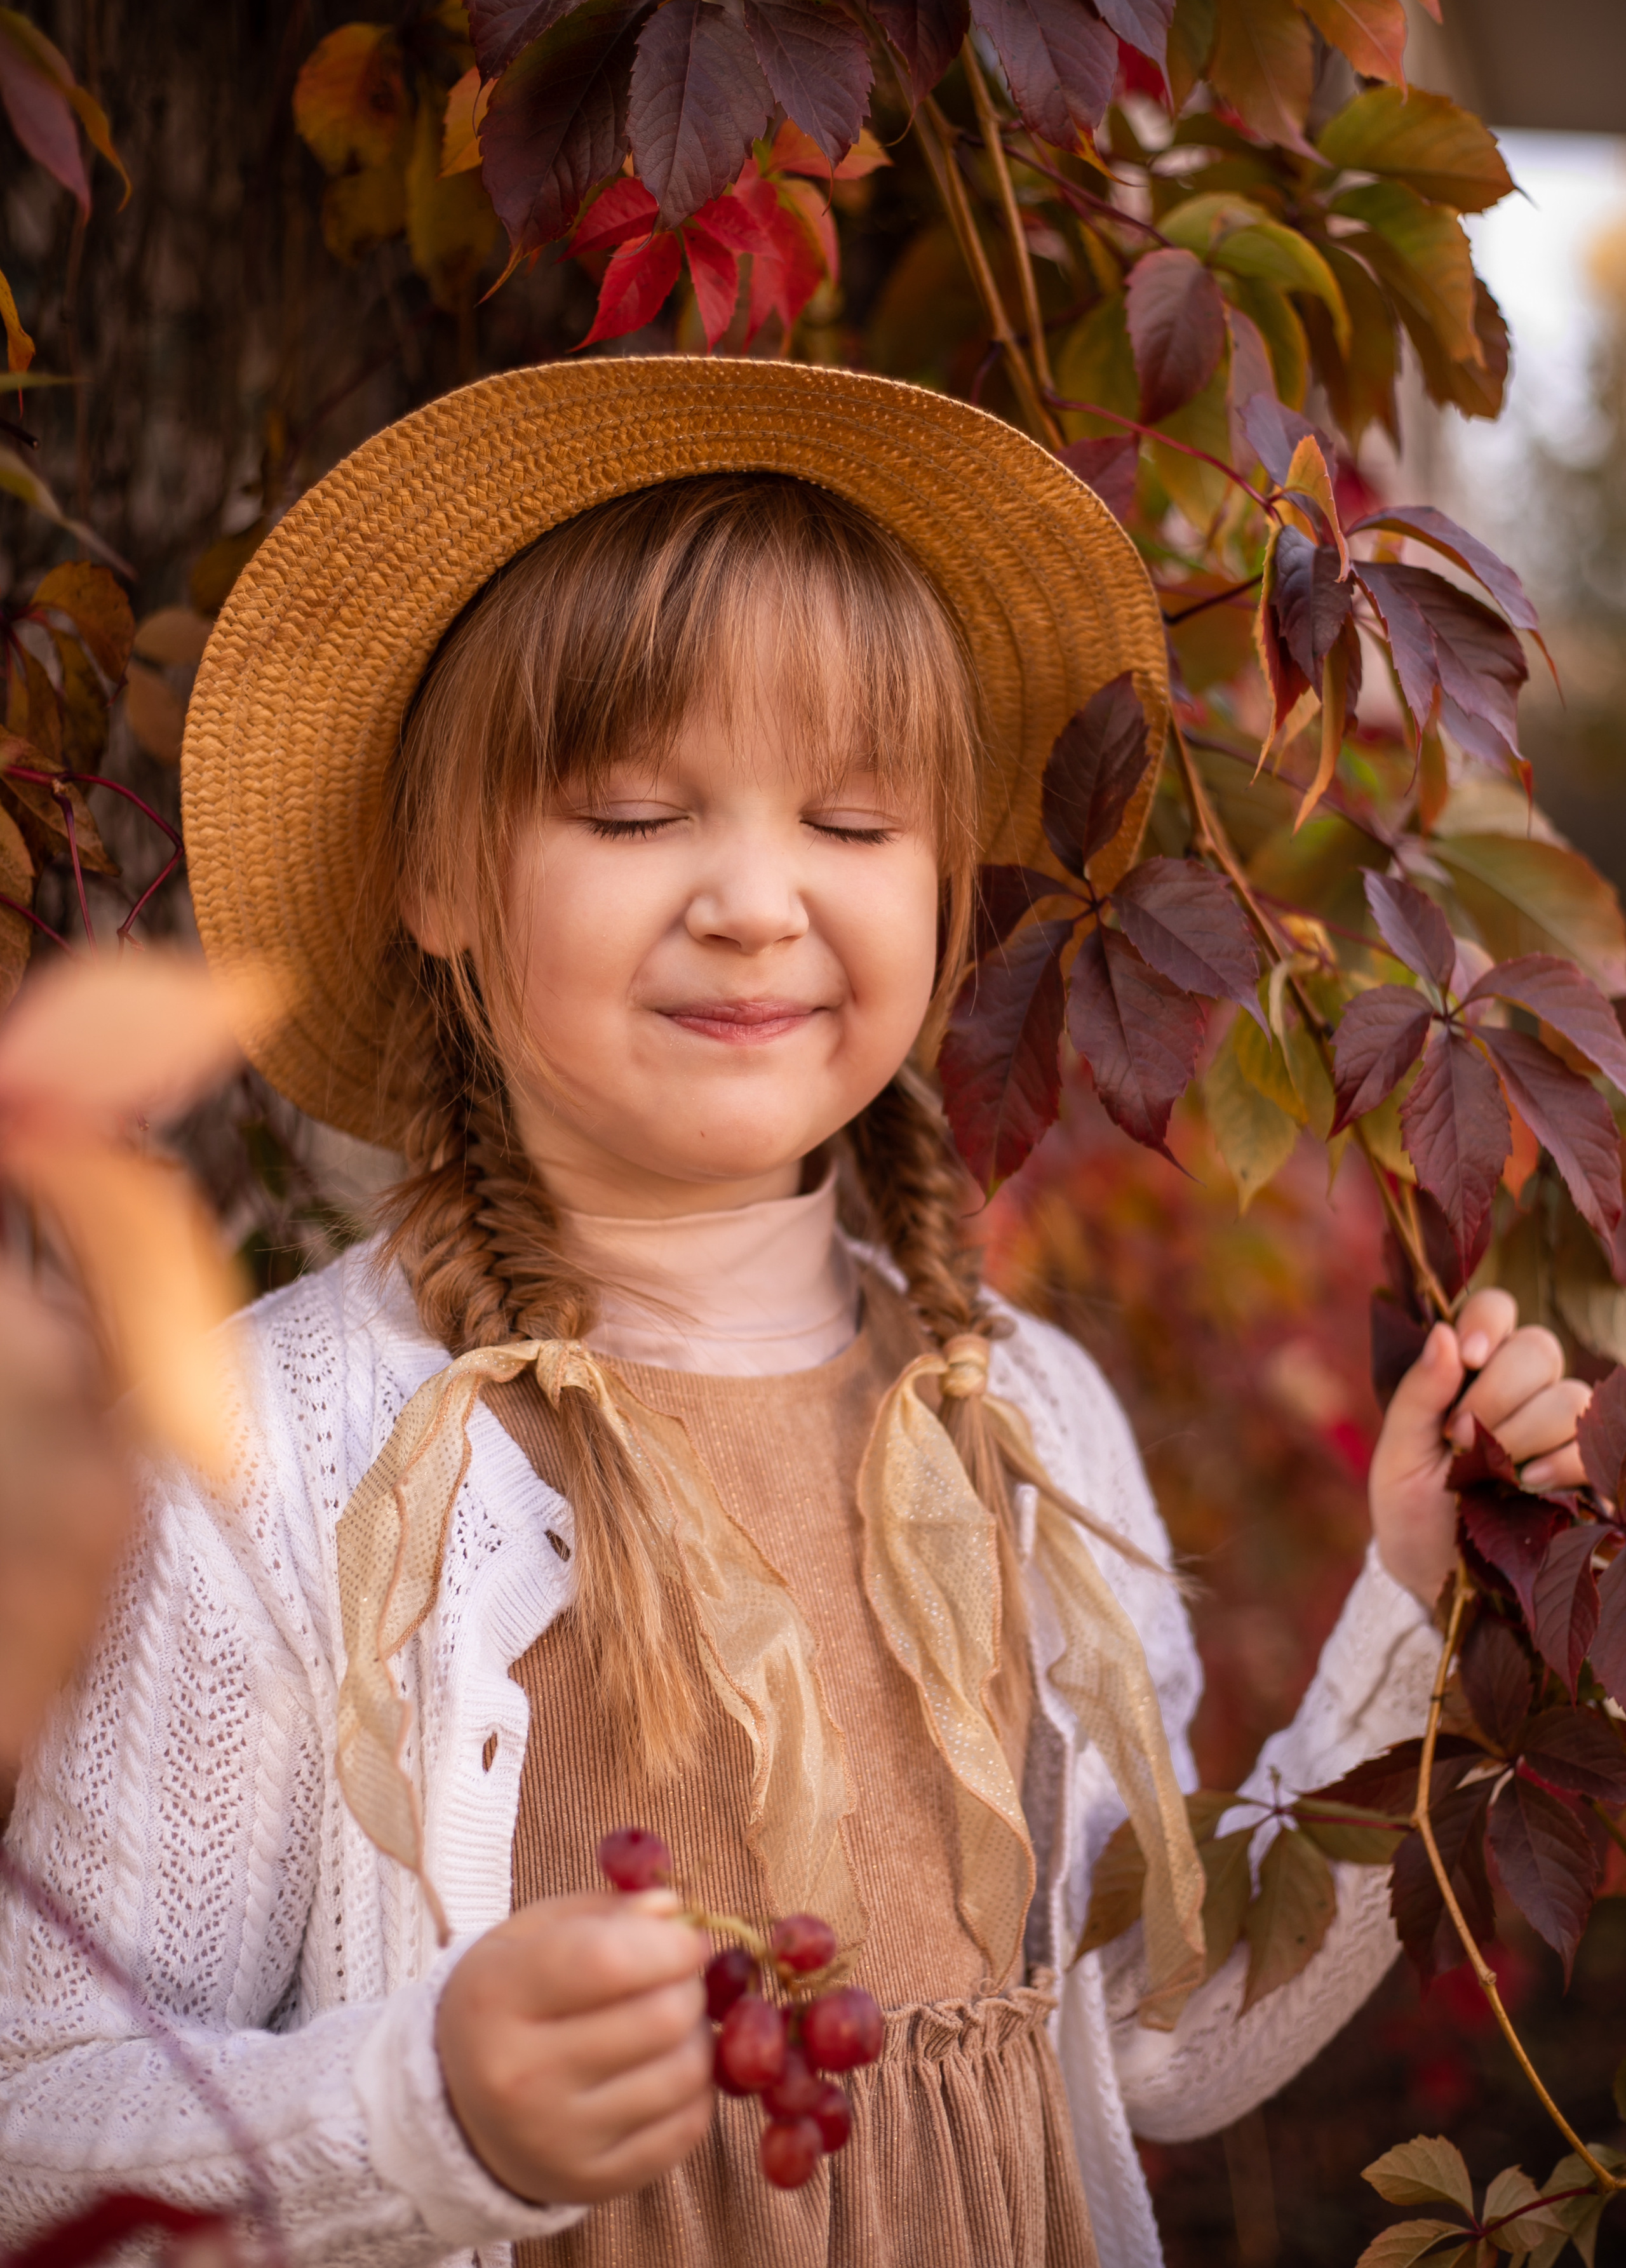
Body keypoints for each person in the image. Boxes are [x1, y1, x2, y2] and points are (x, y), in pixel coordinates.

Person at [0, 360, 1592, 2268]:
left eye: (851, 820)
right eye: (637, 810)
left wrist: (1416, 1606)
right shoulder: (281, 1446)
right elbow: (41, 2116)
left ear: (942, 885)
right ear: (438, 873)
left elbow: (1157, 2035)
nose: (758, 901)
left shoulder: (1023, 1425)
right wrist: (425, 2115)